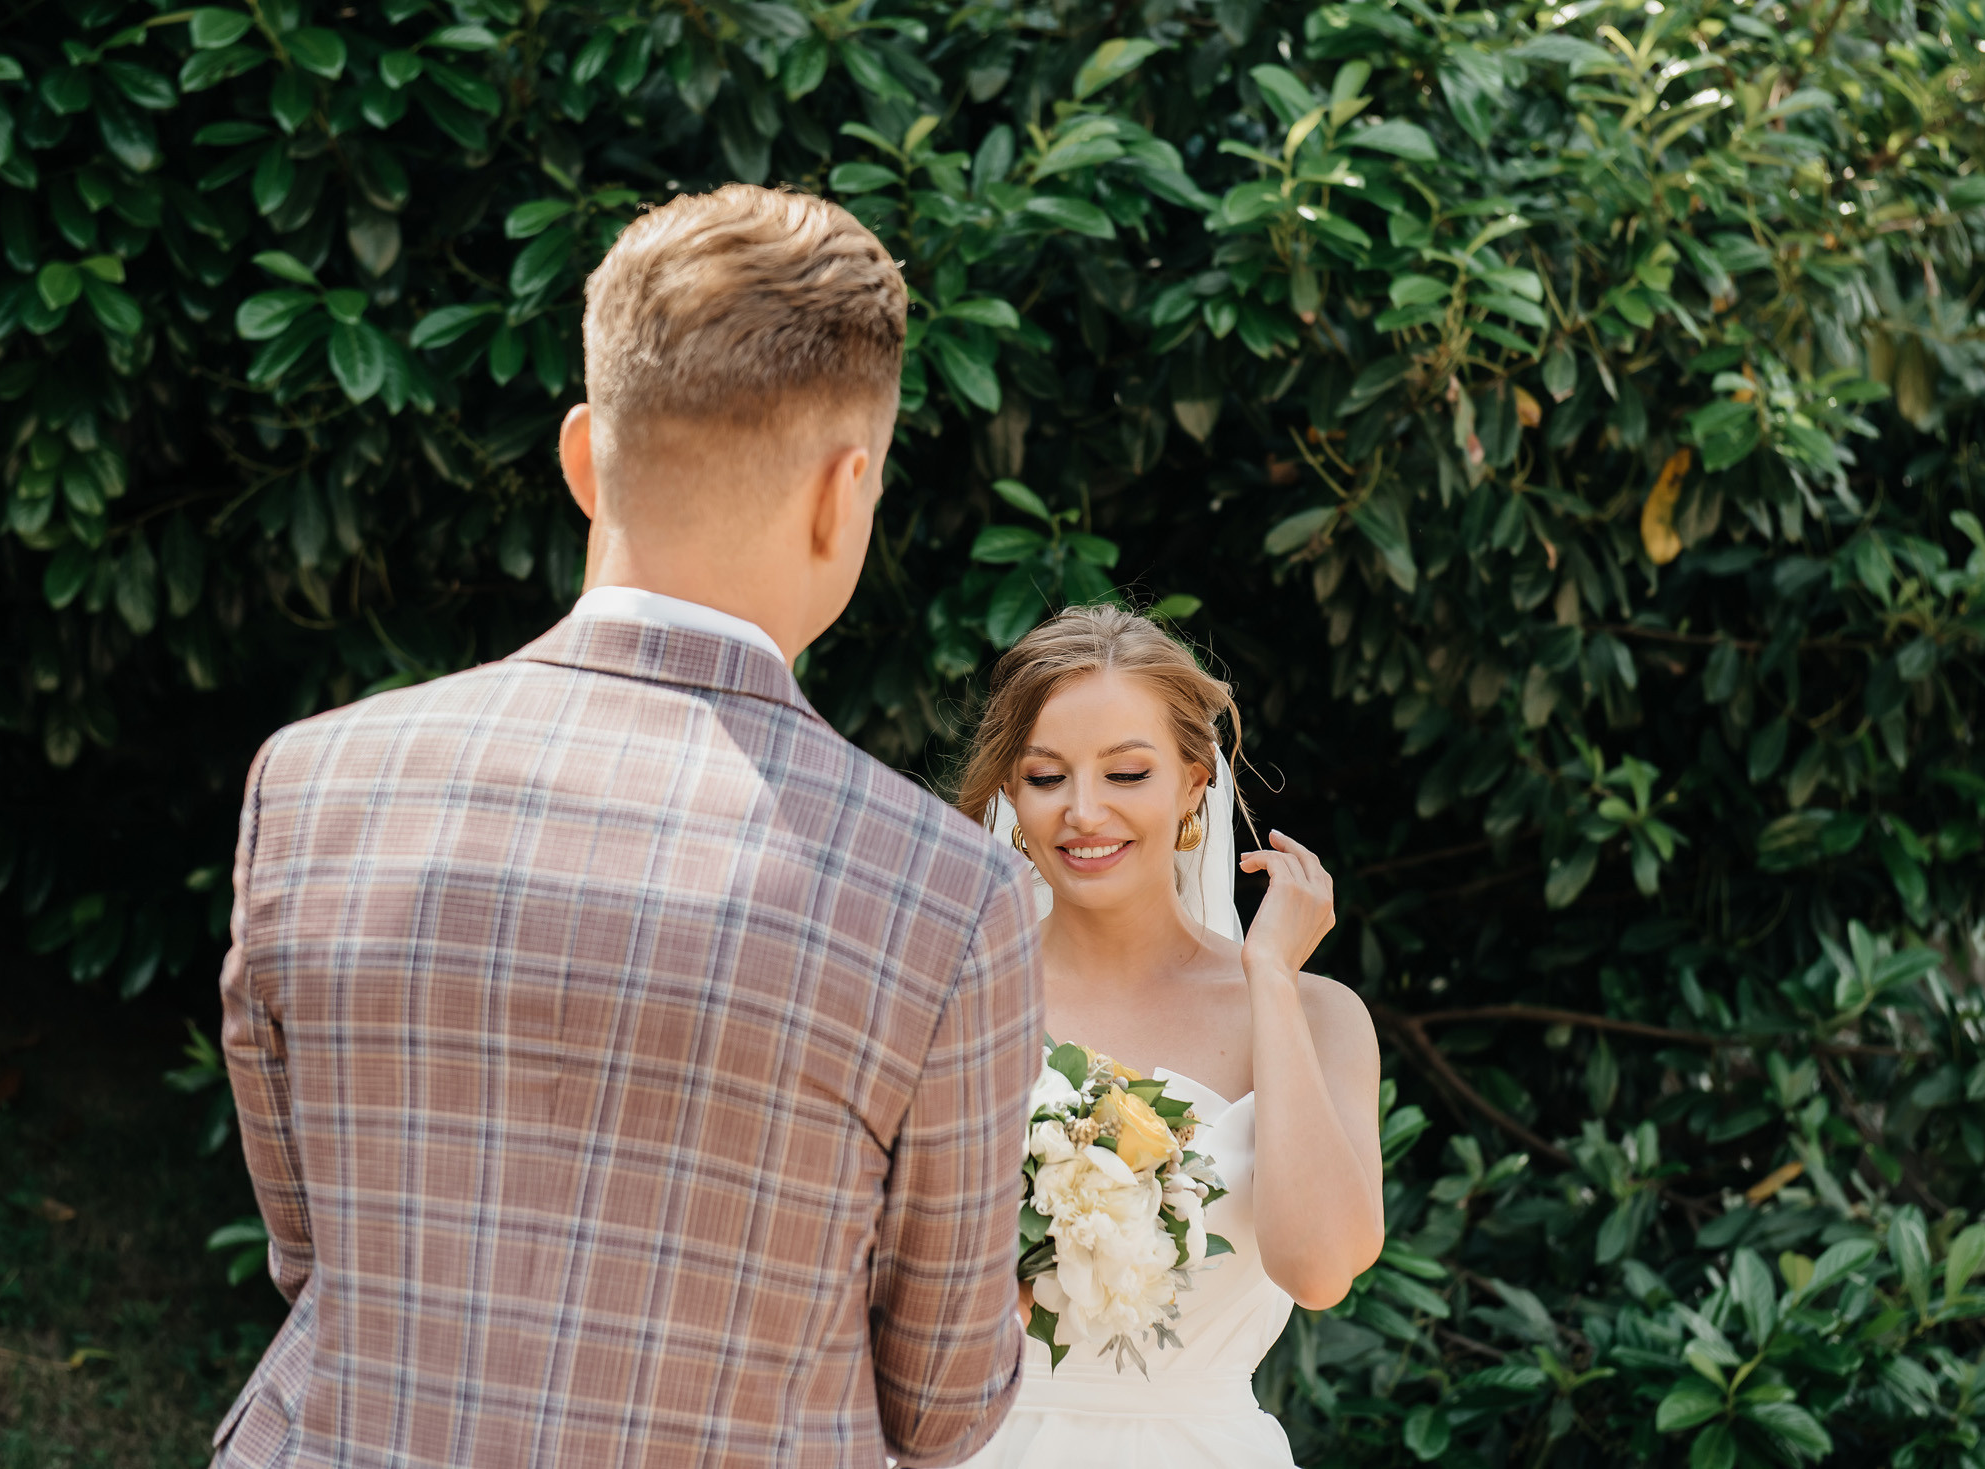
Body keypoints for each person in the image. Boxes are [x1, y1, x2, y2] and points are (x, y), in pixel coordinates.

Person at [212, 186, 1045, 1469]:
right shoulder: (942, 895)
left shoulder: (314, 785)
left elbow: (313, 1250)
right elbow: (939, 1404)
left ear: (583, 456)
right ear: (847, 490)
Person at [953, 604, 1385, 1467]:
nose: (1083, 812)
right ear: (1009, 792)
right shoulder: (950, 1003)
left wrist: (1269, 979)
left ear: (1193, 784)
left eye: (1127, 774)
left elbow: (1320, 1268)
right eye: (1045, 777)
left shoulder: (1322, 1013)